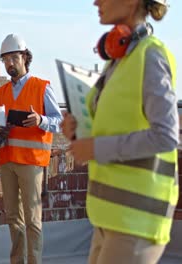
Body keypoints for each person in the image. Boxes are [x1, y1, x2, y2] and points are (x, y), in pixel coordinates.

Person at [60, 1, 179, 263]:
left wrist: (95, 148)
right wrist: (76, 129)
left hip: (137, 220)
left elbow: (166, 135)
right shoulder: (118, 61)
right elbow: (113, 126)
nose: (96, 2)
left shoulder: (151, 55)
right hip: (109, 218)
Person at [0, 34, 63, 264]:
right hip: (7, 160)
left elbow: (58, 120)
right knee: (13, 218)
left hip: (32, 162)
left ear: (24, 57)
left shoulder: (42, 87)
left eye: (14, 58)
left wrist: (40, 120)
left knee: (33, 220)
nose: (9, 64)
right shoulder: (1, 92)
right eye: (5, 60)